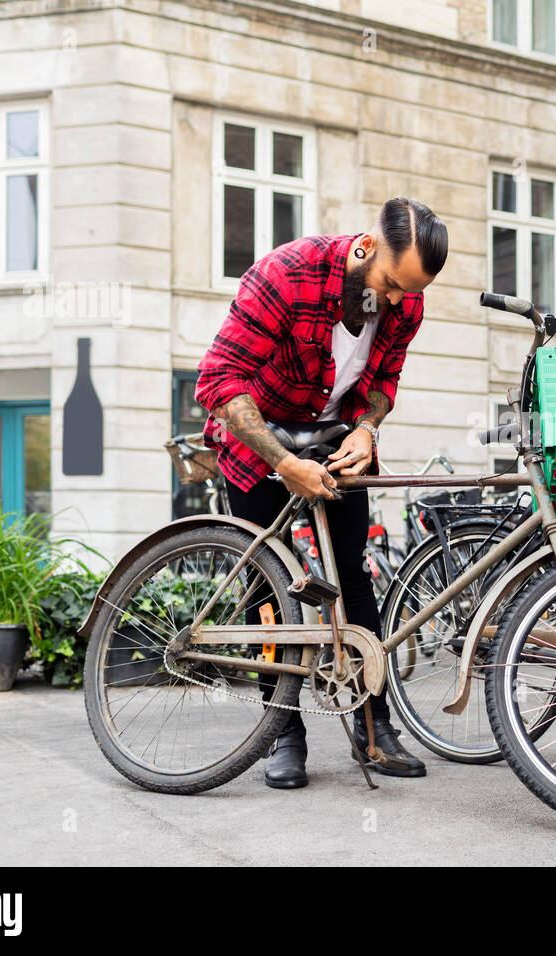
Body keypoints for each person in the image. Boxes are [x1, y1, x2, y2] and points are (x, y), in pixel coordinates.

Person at [194, 196, 448, 788]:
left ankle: (372, 727)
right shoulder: (286, 274)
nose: (393, 302)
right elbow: (218, 380)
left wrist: (366, 427)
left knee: (354, 578)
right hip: (261, 441)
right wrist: (284, 461)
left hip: (335, 438)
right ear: (364, 248)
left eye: (406, 294)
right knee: (268, 586)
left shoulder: (405, 299)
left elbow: (383, 380)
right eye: (388, 284)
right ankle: (282, 731)